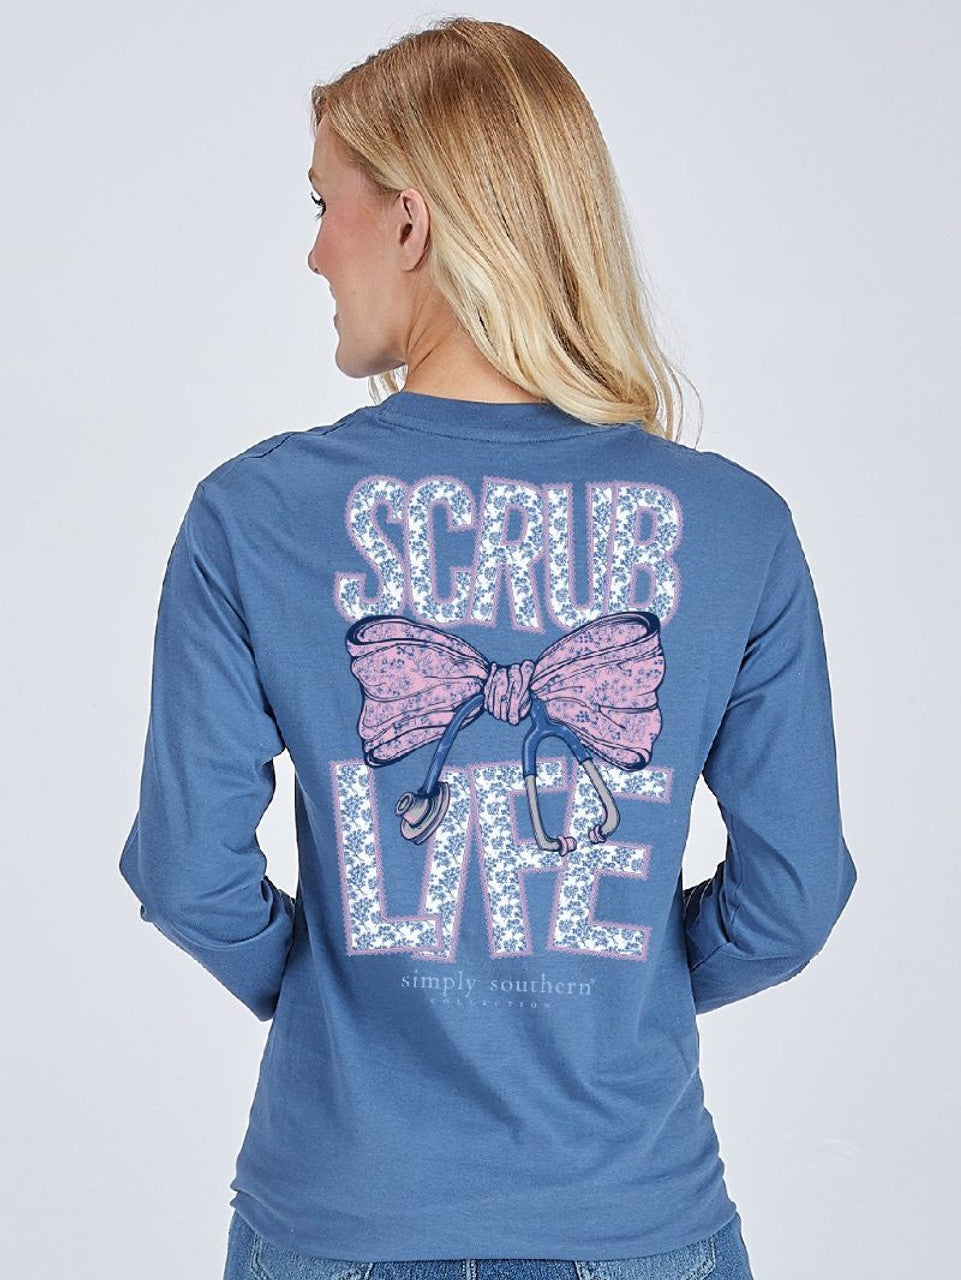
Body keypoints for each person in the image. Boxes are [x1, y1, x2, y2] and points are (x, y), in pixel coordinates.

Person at [118, 16, 857, 1280]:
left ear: (409, 224)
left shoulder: (254, 515)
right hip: (637, 1219)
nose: (313, 250)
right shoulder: (739, 527)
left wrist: (343, 988)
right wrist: (623, 974)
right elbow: (791, 899)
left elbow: (188, 873)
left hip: (342, 1214)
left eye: (324, 204)